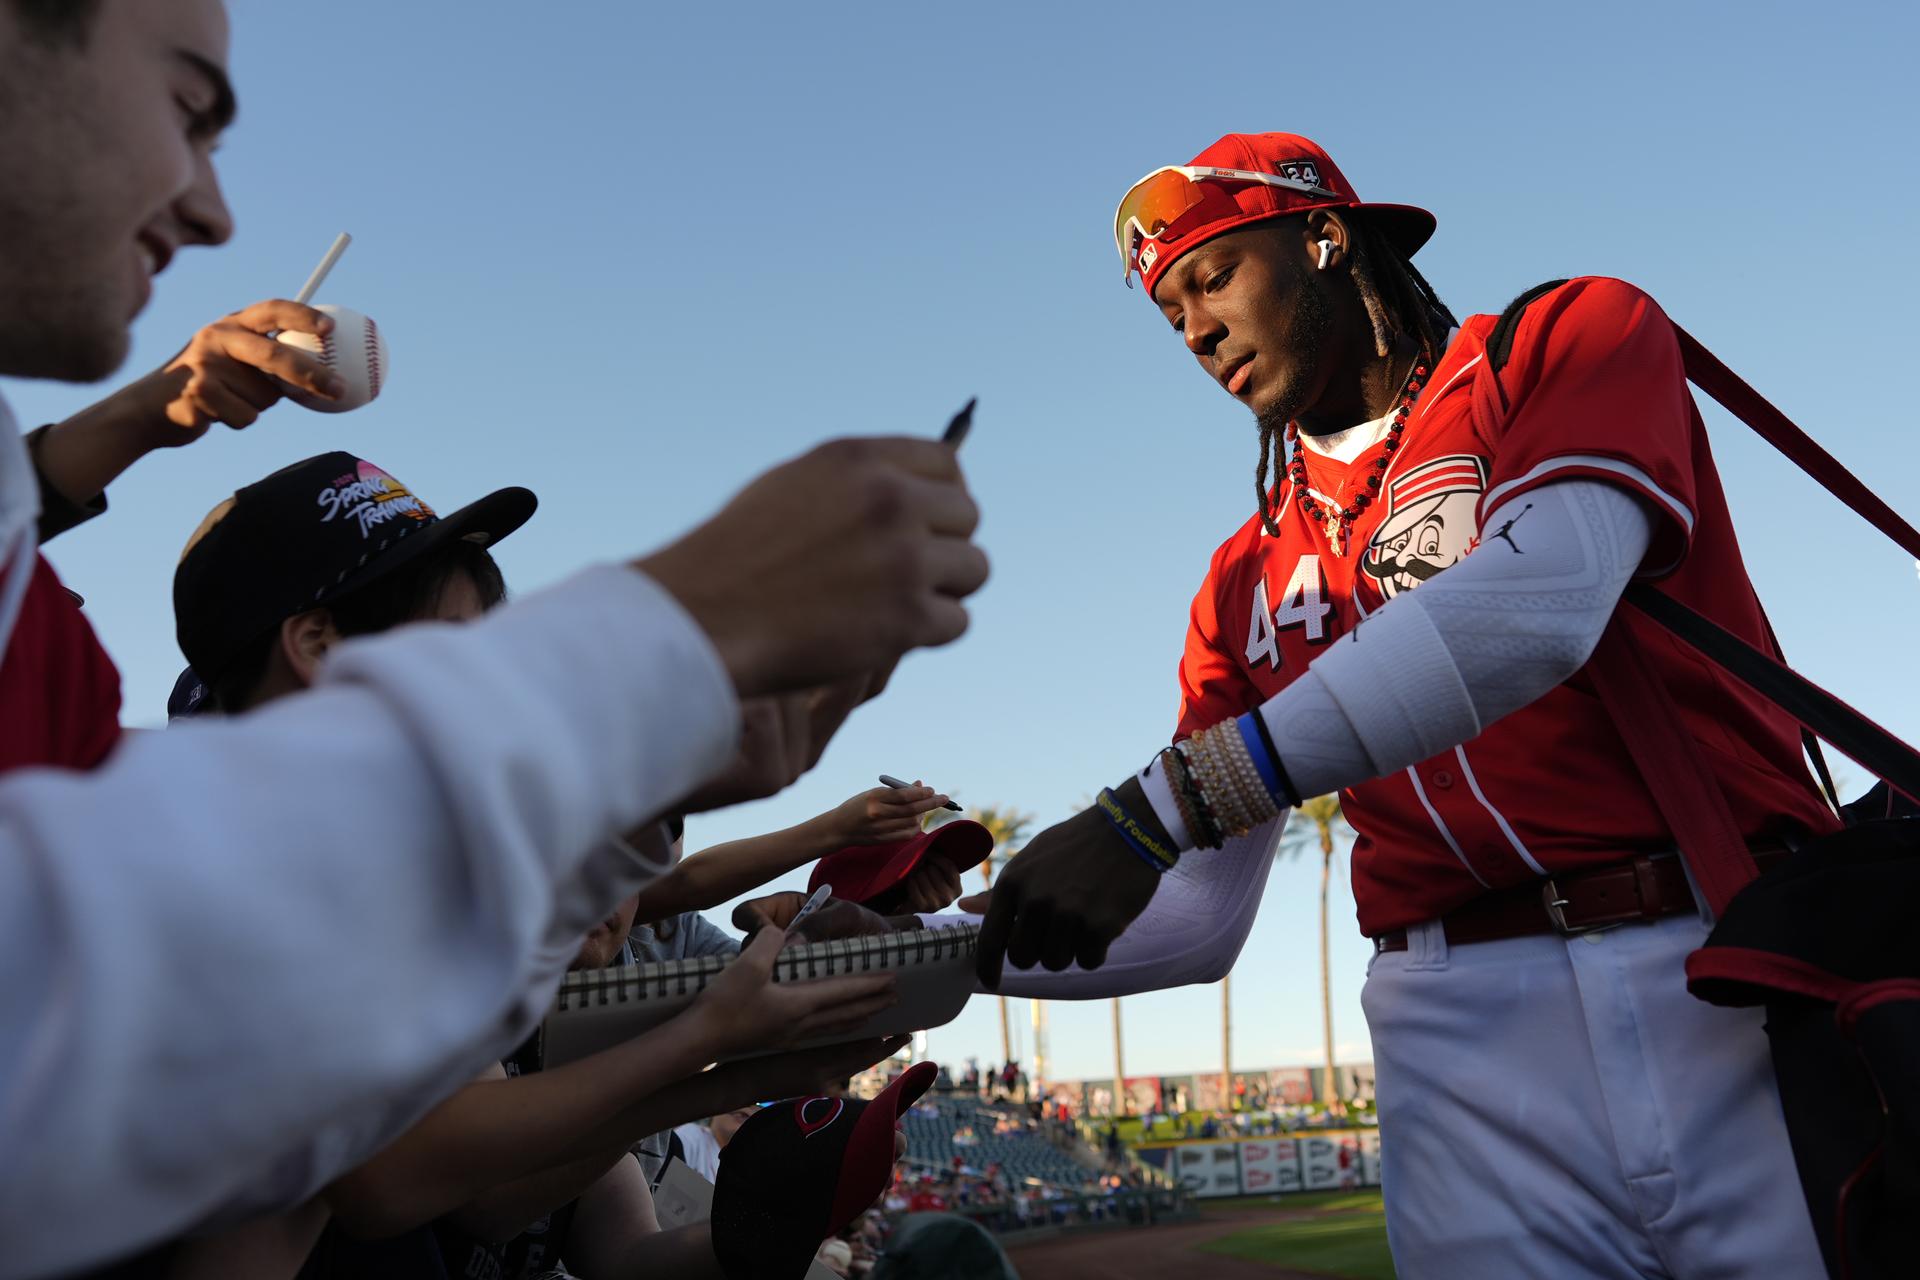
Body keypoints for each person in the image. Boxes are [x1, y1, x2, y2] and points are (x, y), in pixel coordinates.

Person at [0, 2, 987, 1271]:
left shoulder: (63, 661)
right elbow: (324, 1128)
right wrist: (663, 649)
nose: (212, 209)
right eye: (189, 109)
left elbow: (305, 1090)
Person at [971, 131, 1833, 1276]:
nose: (1195, 327)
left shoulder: (1563, 338)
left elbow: (1541, 603)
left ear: (1325, 236)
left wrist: (1156, 806)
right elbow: (1197, 915)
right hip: (1452, 1029)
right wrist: (893, 960)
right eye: (1172, 307)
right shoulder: (1239, 578)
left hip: (1720, 967)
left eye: (1215, 275)